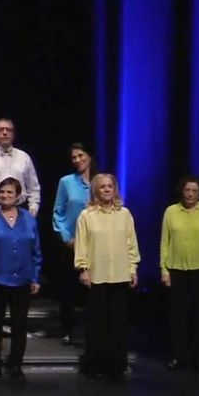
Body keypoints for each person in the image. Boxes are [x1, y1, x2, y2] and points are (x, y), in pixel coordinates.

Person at [0, 177, 42, 379]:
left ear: (18, 196)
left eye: (9, 192)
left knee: (19, 325)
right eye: (2, 192)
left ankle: (15, 363)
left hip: (22, 279)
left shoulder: (29, 219)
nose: (5, 195)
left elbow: (36, 250)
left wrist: (36, 277)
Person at [74, 173, 139, 378]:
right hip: (97, 276)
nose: (107, 190)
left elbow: (131, 244)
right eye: (102, 187)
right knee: (97, 323)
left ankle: (116, 365)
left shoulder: (125, 214)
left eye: (110, 186)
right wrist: (83, 268)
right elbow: (81, 244)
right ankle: (96, 364)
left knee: (118, 322)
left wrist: (133, 269)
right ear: (95, 190)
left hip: (120, 275)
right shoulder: (87, 215)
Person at [159, 175, 199, 372]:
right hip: (177, 270)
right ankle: (179, 356)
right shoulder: (171, 212)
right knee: (178, 316)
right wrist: (164, 269)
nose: (190, 194)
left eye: (194, 191)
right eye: (187, 190)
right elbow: (165, 243)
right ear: (182, 191)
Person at [51, 143, 94, 345]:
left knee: (93, 291)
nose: (77, 160)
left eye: (80, 155)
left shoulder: (100, 182)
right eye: (74, 157)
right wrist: (67, 237)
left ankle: (92, 332)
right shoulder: (66, 182)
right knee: (68, 289)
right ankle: (67, 330)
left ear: (89, 156)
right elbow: (58, 212)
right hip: (72, 243)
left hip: (96, 245)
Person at [0, 118, 41, 214]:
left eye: (8, 130)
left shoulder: (24, 157)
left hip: (20, 211)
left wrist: (33, 208)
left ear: (14, 134)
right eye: (0, 130)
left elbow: (33, 188)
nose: (5, 133)